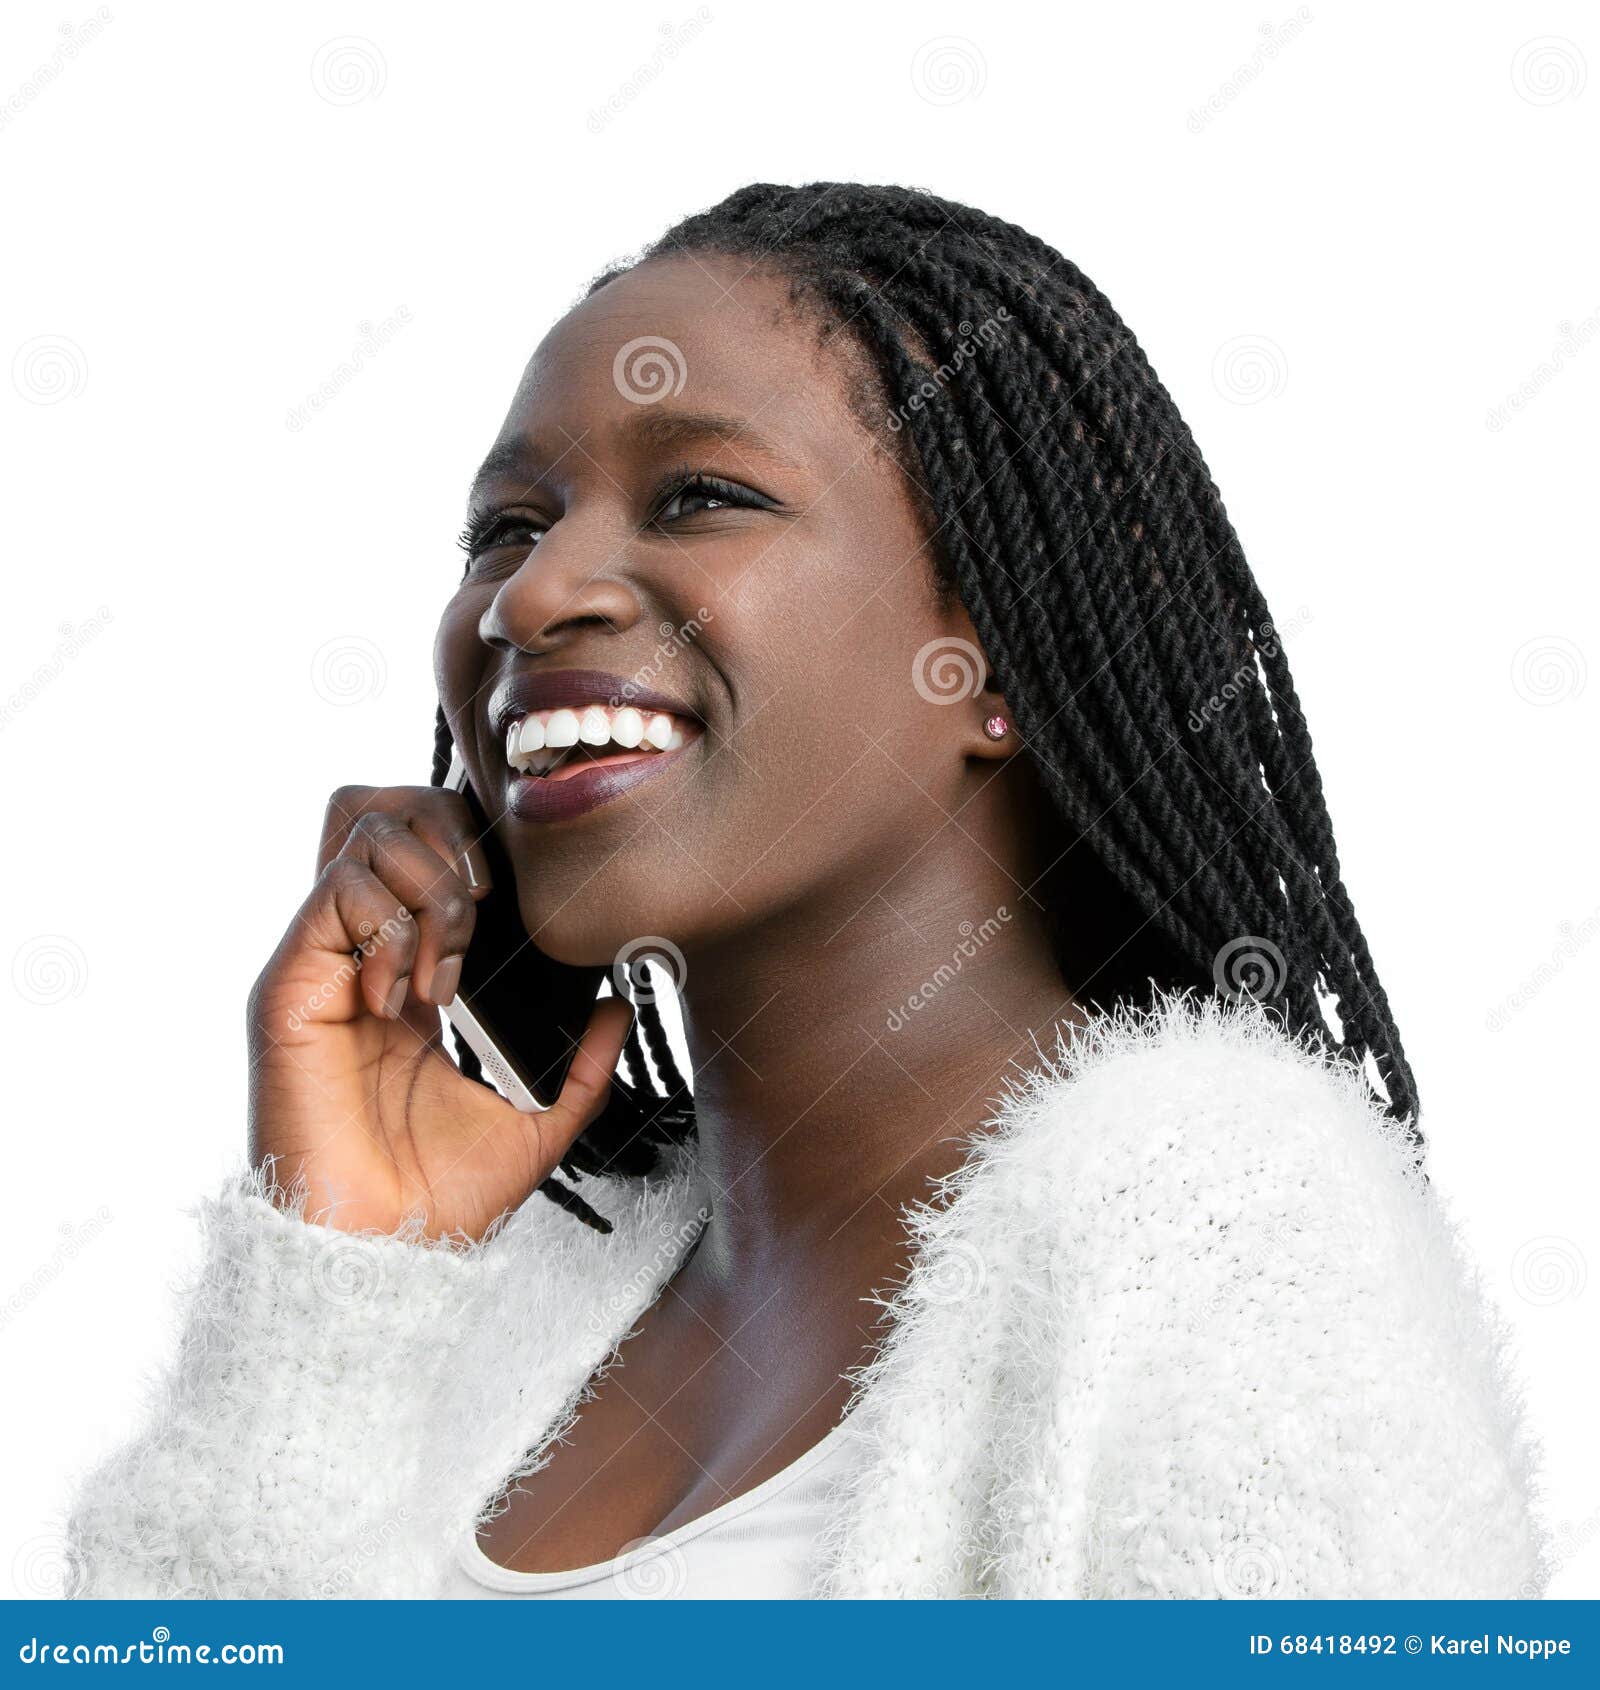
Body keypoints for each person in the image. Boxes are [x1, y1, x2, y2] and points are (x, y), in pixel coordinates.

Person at [62, 183, 1546, 1600]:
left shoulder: (1223, 1243)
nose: (529, 595)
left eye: (701, 496)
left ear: (1003, 652)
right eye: (507, 527)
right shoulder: (525, 1288)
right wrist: (340, 1279)